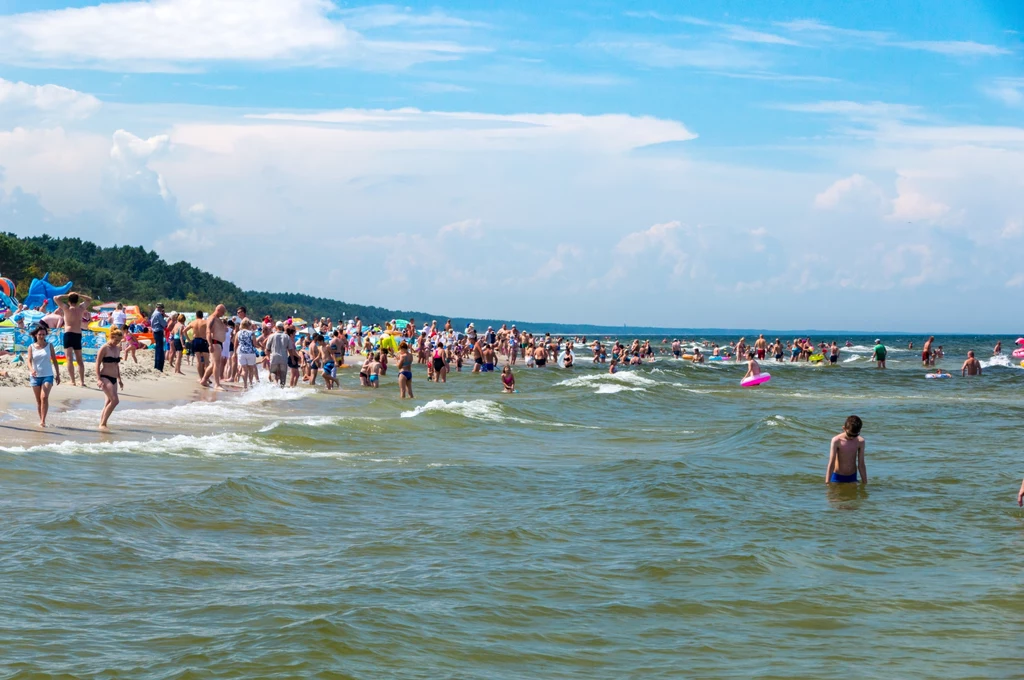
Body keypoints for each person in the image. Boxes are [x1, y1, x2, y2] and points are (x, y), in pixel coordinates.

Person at [53, 291, 92, 386]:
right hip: (78, 334)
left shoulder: (66, 308)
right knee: (79, 359)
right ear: (77, 300)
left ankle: (73, 381)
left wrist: (67, 295)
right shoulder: (81, 308)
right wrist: (79, 294)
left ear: (69, 301)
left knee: (69, 358)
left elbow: (56, 298)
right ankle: (82, 382)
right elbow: (89, 299)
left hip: (69, 334)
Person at [28, 325, 60, 427]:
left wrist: (58, 374)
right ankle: (41, 418)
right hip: (35, 376)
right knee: (38, 400)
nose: (41, 336)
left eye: (43, 334)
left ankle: (43, 421)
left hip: (48, 375)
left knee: (44, 397)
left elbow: (55, 360)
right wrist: (32, 369)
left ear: (46, 335)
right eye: (39, 334)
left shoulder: (49, 346)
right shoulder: (31, 347)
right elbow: (29, 361)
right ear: (36, 335)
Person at [96, 328, 124, 431]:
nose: (117, 342)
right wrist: (98, 379)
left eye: (119, 341)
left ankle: (102, 423)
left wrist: (119, 379)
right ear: (111, 337)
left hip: (114, 378)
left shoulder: (117, 349)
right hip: (105, 377)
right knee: (115, 400)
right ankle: (102, 424)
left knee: (108, 401)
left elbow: (116, 365)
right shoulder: (104, 348)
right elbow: (97, 363)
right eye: (116, 340)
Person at [826, 415, 867, 484]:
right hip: (837, 476)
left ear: (859, 431)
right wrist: (827, 482)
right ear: (844, 428)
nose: (852, 438)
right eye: (849, 434)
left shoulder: (860, 442)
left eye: (855, 435)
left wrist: (865, 482)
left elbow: (861, 464)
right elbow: (831, 463)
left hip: (852, 476)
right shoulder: (836, 441)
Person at [201, 304, 228, 389]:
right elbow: (208, 331)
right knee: (217, 363)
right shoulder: (212, 318)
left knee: (213, 364)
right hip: (214, 342)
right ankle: (217, 384)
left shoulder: (217, 319)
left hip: (218, 343)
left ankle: (204, 380)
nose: (223, 314)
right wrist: (210, 344)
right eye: (222, 312)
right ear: (218, 310)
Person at [185, 311, 210, 382]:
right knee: (206, 361)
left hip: (195, 340)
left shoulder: (193, 322)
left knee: (199, 361)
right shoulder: (205, 322)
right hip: (203, 340)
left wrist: (189, 340)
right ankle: (206, 377)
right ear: (202, 316)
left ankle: (200, 377)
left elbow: (184, 331)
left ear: (196, 315)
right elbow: (210, 331)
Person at [264, 321, 290, 386]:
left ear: (276, 327)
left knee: (273, 372)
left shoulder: (271, 336)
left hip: (274, 356)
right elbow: (290, 349)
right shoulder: (286, 336)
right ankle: (282, 387)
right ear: (282, 327)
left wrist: (267, 356)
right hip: (283, 357)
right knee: (283, 374)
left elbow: (267, 349)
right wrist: (292, 358)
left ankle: (275, 383)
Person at [236, 318, 258, 389]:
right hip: (250, 352)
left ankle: (245, 385)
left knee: (244, 370)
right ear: (249, 325)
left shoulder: (238, 333)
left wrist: (234, 353)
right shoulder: (251, 333)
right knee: (251, 369)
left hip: (241, 352)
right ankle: (251, 383)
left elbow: (236, 344)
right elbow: (254, 344)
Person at [149, 302, 167, 371]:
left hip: (155, 331)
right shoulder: (158, 314)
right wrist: (166, 320)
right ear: (160, 308)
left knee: (158, 348)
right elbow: (164, 324)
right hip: (158, 331)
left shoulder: (154, 313)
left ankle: (156, 365)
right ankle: (159, 367)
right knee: (160, 349)